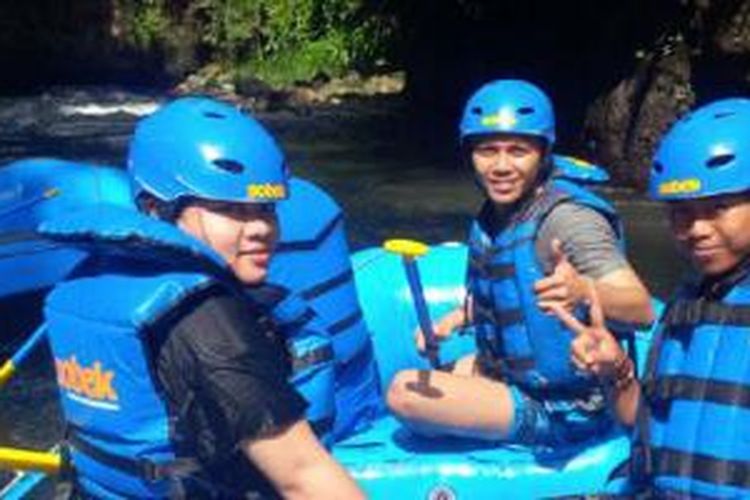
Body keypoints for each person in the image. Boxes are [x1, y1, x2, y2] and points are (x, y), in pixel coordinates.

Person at [41, 97, 364, 498]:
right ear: (156, 209)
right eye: (230, 209)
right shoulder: (204, 319)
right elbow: (302, 477)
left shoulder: (92, 277)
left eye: (266, 208)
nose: (261, 228)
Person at [386, 79, 654, 445]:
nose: (500, 166)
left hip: (574, 405)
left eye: (517, 151)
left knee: (404, 393)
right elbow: (510, 290)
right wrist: (453, 320)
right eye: (487, 151)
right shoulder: (498, 214)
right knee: (427, 379)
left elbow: (641, 310)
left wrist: (582, 290)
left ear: (543, 154)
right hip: (514, 377)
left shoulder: (568, 220)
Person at [554, 97, 750, 498]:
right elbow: (639, 424)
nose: (695, 228)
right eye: (680, 212)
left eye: (719, 208)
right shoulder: (690, 303)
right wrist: (617, 371)